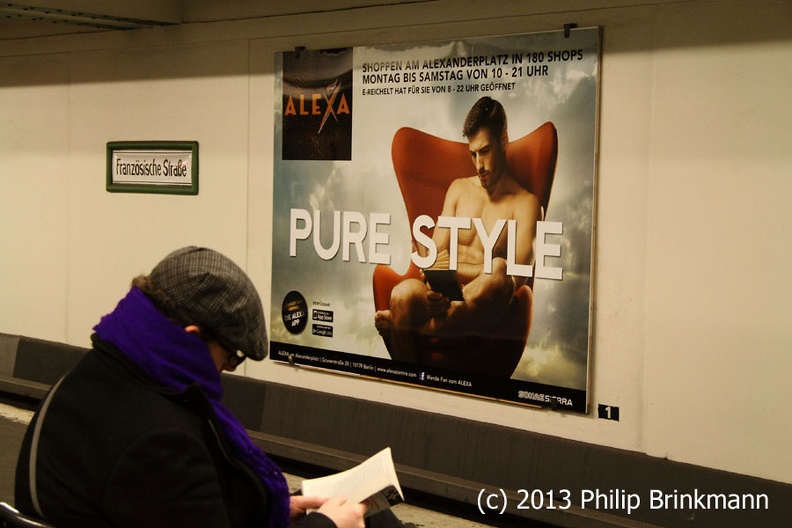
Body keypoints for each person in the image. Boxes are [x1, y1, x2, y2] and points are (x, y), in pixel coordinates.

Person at [14, 246, 373, 528]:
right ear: (193, 336)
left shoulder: (92, 375)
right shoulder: (160, 442)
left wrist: (271, 507)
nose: (227, 369)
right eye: (231, 355)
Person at [375, 97, 542, 374]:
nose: (479, 164)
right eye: (473, 153)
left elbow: (517, 276)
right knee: (402, 294)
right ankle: (409, 388)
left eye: (485, 151)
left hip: (486, 300)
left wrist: (455, 273)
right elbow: (433, 255)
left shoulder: (527, 204)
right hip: (443, 295)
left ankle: (402, 326)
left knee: (499, 272)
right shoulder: (458, 189)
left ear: (504, 140)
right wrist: (438, 286)